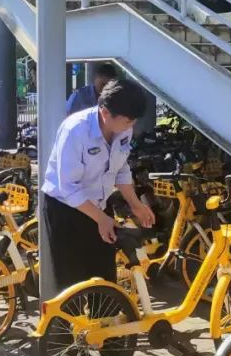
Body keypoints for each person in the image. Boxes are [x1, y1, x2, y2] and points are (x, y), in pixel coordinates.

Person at [42, 78, 156, 291]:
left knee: (105, 279)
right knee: (72, 285)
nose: (131, 127)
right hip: (67, 210)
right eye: (127, 121)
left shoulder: (123, 129)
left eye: (133, 121)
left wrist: (136, 205)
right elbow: (68, 188)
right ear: (105, 113)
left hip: (101, 205)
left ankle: (102, 313)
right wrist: (101, 219)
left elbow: (121, 169)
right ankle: (71, 314)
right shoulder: (75, 130)